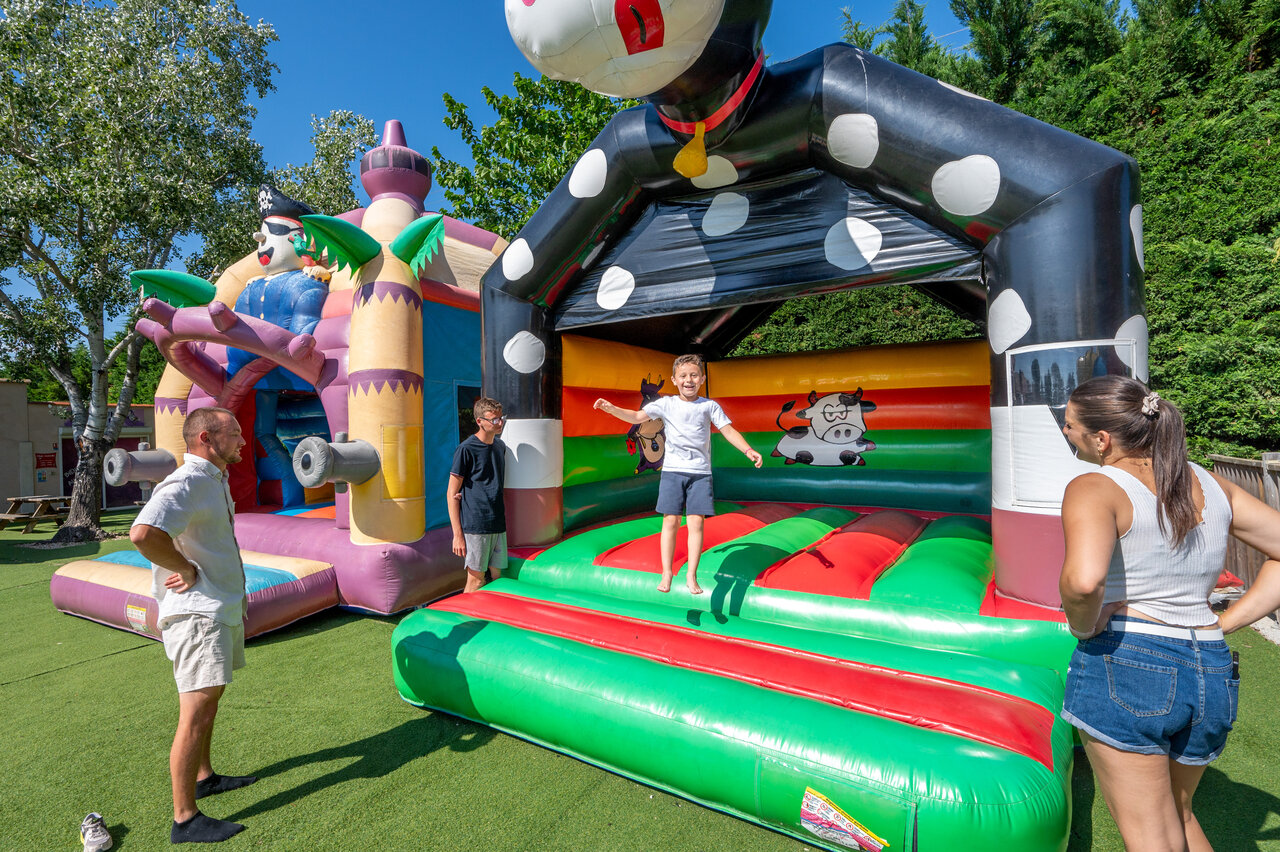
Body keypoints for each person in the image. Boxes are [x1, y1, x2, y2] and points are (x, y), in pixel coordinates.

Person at [1058, 375, 1280, 851]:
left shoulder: (1094, 485)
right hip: (1211, 665)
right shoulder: (1209, 482)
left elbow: (1083, 581)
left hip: (1129, 658)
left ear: (1102, 439)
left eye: (1070, 425)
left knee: (1149, 835)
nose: (1065, 432)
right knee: (1178, 816)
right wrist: (1226, 622)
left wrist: (1082, 625)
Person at [130, 407, 258, 844]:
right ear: (207, 437)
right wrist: (183, 566)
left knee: (210, 701)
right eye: (235, 434)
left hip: (215, 609)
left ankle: (204, 778)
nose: (243, 441)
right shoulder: (186, 483)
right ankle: (185, 818)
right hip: (198, 616)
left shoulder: (213, 480)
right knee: (196, 711)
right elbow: (144, 533)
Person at [595, 354, 763, 594]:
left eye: (694, 375)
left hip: (700, 473)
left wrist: (748, 449)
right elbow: (636, 417)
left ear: (702, 378)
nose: (689, 380)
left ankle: (691, 575)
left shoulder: (708, 406)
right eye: (683, 376)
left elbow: (727, 430)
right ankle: (667, 572)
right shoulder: (666, 404)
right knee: (670, 521)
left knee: (696, 523)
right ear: (674, 380)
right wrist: (611, 408)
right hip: (673, 471)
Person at [448, 398, 508, 593]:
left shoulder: (500, 447)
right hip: (476, 524)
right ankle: (467, 622)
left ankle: (494, 619)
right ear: (479, 421)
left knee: (499, 578)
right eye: (493, 419)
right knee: (476, 580)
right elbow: (451, 493)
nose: (499, 423)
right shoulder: (466, 449)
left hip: (498, 521)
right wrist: (457, 535)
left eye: (500, 418)